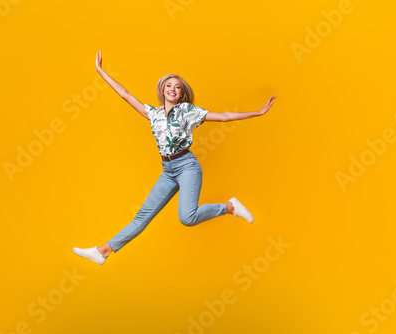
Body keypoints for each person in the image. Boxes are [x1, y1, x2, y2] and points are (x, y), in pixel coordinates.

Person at [73, 50, 277, 265]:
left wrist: (257, 112)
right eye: (169, 85)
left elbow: (224, 117)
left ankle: (229, 207)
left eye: (177, 87)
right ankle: (103, 251)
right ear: (162, 90)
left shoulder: (188, 111)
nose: (172, 89)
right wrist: (100, 71)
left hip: (187, 166)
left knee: (187, 218)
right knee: (142, 216)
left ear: (181, 94)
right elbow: (125, 94)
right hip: (168, 170)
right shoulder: (153, 113)